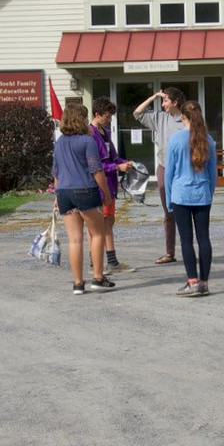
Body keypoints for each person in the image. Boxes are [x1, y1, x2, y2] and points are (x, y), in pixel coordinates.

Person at [52, 102, 116, 295]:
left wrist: (57, 195)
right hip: (85, 190)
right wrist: (106, 193)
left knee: (74, 240)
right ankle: (98, 277)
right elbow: (96, 170)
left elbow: (56, 172)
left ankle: (78, 283)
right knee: (97, 234)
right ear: (82, 119)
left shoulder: (59, 142)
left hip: (64, 192)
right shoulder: (87, 141)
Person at [164, 100, 217, 296]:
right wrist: (209, 192)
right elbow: (212, 173)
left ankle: (192, 281)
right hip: (202, 194)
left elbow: (169, 173)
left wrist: (169, 199)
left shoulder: (176, 139)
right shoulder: (208, 139)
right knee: (204, 238)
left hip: (181, 195)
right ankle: (204, 282)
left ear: (183, 117)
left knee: (186, 240)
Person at [133, 87, 186, 264]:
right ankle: (170, 253)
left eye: (165, 101)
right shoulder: (160, 118)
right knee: (168, 212)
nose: (163, 104)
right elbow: (137, 113)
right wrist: (154, 97)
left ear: (175, 102)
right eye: (162, 101)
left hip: (183, 170)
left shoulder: (187, 119)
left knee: (185, 212)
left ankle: (189, 250)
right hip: (164, 168)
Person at [89, 96, 134, 274]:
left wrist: (125, 163)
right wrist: (116, 167)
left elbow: (113, 157)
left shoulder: (105, 132)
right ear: (97, 115)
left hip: (110, 184)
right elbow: (95, 165)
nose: (109, 120)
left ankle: (112, 261)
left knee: (109, 222)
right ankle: (95, 263)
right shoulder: (90, 134)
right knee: (96, 225)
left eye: (111, 117)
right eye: (107, 117)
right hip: (98, 186)